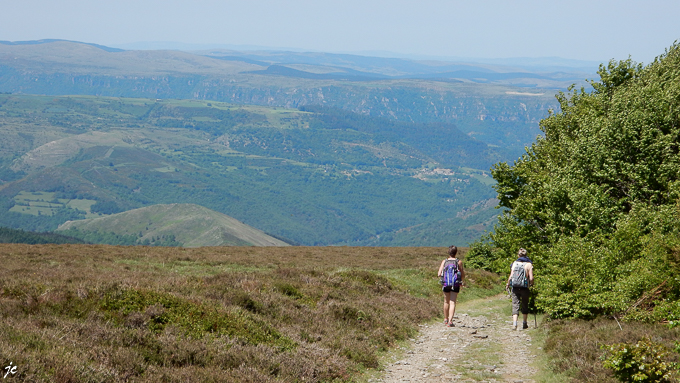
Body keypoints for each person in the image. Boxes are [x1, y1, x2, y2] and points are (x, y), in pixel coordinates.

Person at [506, 248, 534, 330]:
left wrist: (508, 284)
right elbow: (531, 278)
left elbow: (511, 276)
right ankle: (524, 323)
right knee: (525, 304)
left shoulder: (514, 263)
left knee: (515, 305)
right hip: (525, 287)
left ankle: (515, 324)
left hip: (515, 286)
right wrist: (532, 284)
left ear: (518, 255)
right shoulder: (529, 264)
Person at [437, 245, 465, 327]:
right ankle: (450, 321)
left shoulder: (444, 261)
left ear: (448, 252)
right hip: (455, 284)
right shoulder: (458, 262)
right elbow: (462, 274)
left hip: (445, 283)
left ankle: (445, 319)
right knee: (452, 302)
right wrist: (462, 280)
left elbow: (439, 274)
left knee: (446, 301)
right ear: (456, 252)